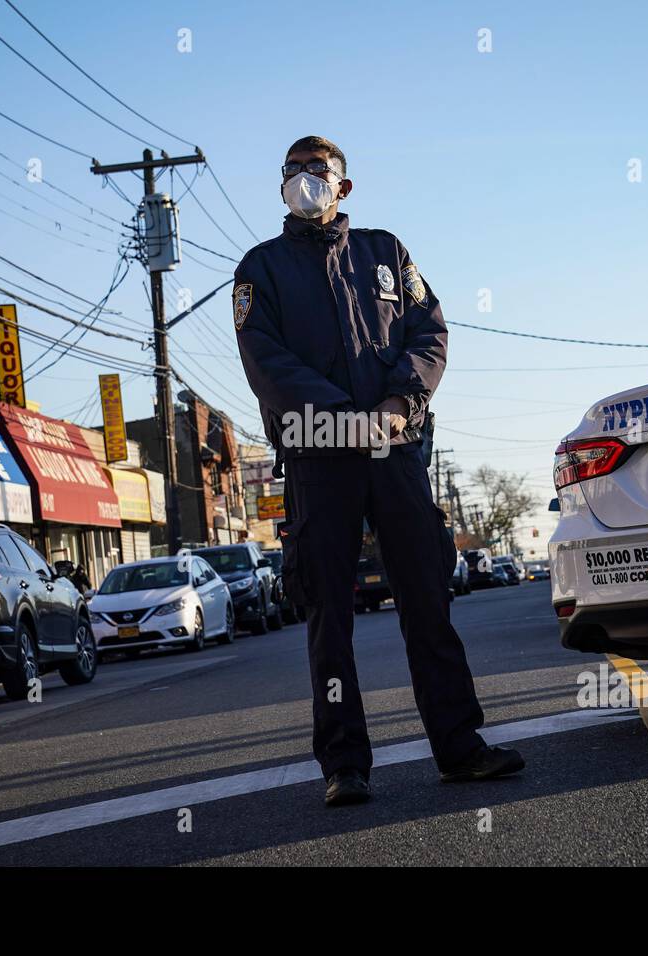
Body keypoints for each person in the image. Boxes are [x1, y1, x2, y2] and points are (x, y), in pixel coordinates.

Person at [233, 135, 523, 807]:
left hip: (395, 451)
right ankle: (345, 764)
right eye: (294, 171)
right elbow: (265, 362)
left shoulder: (386, 252)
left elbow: (430, 332)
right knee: (327, 614)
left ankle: (460, 746)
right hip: (317, 458)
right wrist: (342, 416)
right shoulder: (261, 269)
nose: (306, 180)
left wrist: (398, 402)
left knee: (426, 598)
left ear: (345, 186)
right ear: (282, 185)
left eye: (318, 170)